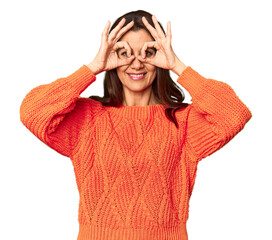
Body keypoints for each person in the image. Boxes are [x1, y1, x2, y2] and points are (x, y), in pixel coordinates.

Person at [20, 10, 252, 240]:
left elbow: (234, 114)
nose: (136, 63)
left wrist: (177, 65)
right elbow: (33, 112)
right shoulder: (88, 119)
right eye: (124, 52)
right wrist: (93, 67)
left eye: (148, 53)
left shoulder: (182, 122)